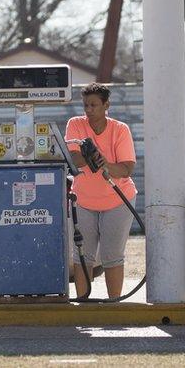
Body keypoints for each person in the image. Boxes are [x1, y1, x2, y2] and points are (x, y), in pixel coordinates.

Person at [64, 82, 137, 299]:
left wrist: (104, 163)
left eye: (94, 105)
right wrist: (88, 155)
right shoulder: (75, 124)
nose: (89, 110)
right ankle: (83, 302)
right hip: (83, 201)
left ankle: (114, 303)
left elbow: (126, 169)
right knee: (82, 254)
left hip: (117, 200)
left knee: (112, 255)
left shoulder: (120, 129)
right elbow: (72, 160)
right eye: (86, 105)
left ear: (106, 105)